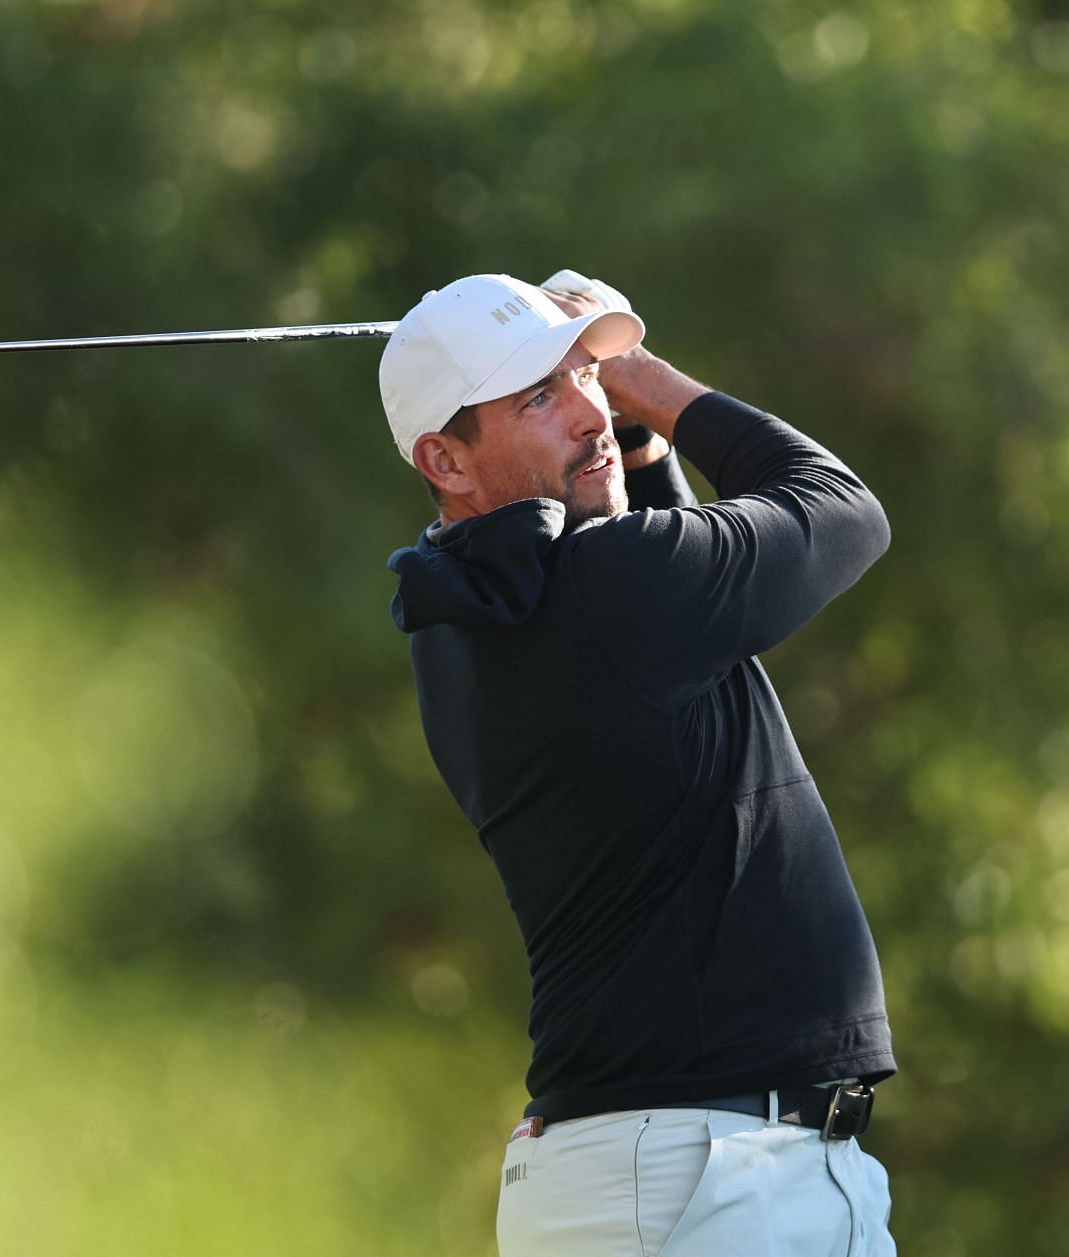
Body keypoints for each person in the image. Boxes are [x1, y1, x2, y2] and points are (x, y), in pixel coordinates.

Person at [380, 270, 899, 1257]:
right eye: (540, 395)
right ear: (444, 458)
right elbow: (844, 509)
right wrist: (647, 378)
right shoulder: (611, 591)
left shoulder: (461, 624)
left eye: (586, 379)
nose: (588, 410)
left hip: (664, 1170)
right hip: (711, 1175)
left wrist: (630, 438)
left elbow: (660, 579)